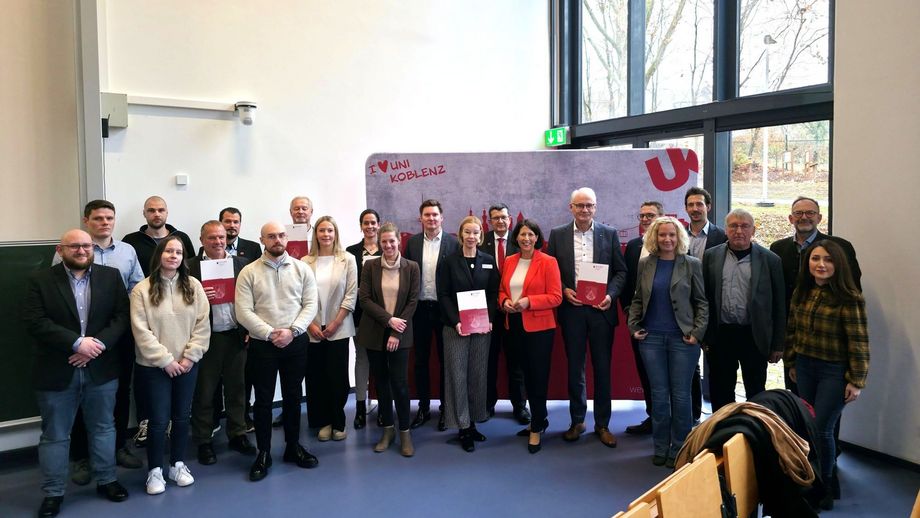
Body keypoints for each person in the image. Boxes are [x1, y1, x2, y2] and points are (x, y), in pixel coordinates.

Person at [24, 229, 131, 517]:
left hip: (101, 366)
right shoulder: (40, 281)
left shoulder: (110, 277)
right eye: (75, 246)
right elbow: (35, 321)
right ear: (61, 250)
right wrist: (76, 343)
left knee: (104, 428)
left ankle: (107, 479)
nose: (82, 250)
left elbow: (122, 316)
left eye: (86, 246)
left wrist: (96, 344)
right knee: (55, 435)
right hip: (57, 369)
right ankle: (54, 492)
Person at [52, 200, 145, 481]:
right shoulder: (69, 250)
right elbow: (57, 295)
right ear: (87, 221)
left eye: (109, 218)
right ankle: (82, 457)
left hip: (118, 336)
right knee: (80, 398)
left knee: (118, 395)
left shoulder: (128, 252)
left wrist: (108, 336)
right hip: (79, 341)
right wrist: (83, 343)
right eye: (98, 218)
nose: (105, 222)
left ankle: (118, 447)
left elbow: (138, 289)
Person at [785, 240, 869, 511]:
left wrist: (856, 381)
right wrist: (792, 362)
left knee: (822, 429)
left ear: (838, 265)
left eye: (828, 260)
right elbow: (793, 330)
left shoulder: (849, 297)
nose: (821, 265)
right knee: (809, 426)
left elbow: (858, 342)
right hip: (806, 367)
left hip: (834, 371)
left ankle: (826, 485)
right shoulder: (803, 291)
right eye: (815, 259)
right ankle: (814, 478)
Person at [235, 222, 319, 481]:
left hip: (295, 342)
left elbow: (310, 304)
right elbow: (243, 311)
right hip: (263, 344)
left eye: (281, 235)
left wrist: (292, 331)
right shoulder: (249, 272)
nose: (277, 240)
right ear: (262, 240)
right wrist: (271, 333)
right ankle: (264, 452)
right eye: (271, 236)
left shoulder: (302, 268)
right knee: (263, 401)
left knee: (294, 397)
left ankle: (293, 447)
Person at [130, 236, 210, 495]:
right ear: (159, 255)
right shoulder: (142, 289)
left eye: (178, 252)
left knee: (182, 416)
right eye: (168, 251)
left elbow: (202, 325)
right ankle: (155, 470)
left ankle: (177, 464)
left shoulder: (194, 286)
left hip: (187, 365)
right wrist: (165, 361)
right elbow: (141, 331)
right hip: (154, 367)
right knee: (157, 420)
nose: (173, 256)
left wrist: (189, 357)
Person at [546, 187, 626, 448]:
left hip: (601, 312)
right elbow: (552, 271)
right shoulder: (557, 235)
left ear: (596, 207)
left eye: (589, 205)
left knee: (602, 369)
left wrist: (611, 296)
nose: (584, 210)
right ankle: (577, 421)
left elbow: (620, 272)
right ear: (571, 207)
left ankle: (602, 424)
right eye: (579, 206)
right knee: (575, 369)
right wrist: (564, 290)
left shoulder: (609, 233)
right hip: (572, 311)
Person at [627, 216, 708, 468]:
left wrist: (697, 332)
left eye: (672, 235)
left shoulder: (691, 264)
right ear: (655, 237)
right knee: (659, 396)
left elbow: (702, 303)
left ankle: (680, 449)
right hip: (651, 339)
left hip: (683, 340)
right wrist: (633, 326)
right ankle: (660, 447)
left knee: (682, 397)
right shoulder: (645, 264)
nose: (667, 239)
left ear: (679, 237)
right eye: (662, 235)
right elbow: (638, 299)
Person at [702, 209, 785, 412]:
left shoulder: (771, 260)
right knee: (721, 390)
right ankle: (721, 435)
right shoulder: (711, 256)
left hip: (754, 336)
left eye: (744, 226)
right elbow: (704, 298)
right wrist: (704, 334)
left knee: (756, 392)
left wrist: (778, 344)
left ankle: (752, 437)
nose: (739, 230)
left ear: (753, 230)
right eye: (733, 226)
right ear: (726, 230)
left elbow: (779, 305)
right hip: (721, 335)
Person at [188, 221, 256, 465]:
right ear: (201, 239)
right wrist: (198, 297)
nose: (218, 242)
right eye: (212, 238)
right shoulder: (189, 267)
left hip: (235, 335)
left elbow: (251, 299)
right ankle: (203, 440)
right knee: (205, 392)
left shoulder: (241, 265)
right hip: (206, 338)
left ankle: (237, 433)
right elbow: (181, 304)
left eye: (221, 237)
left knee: (237, 388)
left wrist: (248, 327)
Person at [357, 222, 420, 456]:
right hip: (374, 333)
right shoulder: (370, 266)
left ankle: (405, 432)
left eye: (392, 241)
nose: (388, 245)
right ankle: (387, 430)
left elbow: (413, 301)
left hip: (400, 334)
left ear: (398, 241)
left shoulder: (411, 267)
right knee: (381, 384)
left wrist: (396, 330)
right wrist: (388, 321)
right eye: (384, 242)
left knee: (400, 385)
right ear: (379, 243)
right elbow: (364, 300)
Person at [437, 216, 500, 452]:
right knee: (457, 375)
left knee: (477, 374)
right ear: (460, 234)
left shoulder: (488, 260)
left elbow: (494, 293)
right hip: (456, 329)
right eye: (467, 232)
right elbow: (443, 295)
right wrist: (455, 322)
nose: (471, 237)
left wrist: (490, 319)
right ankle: (462, 427)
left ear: (480, 236)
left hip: (482, 328)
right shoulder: (449, 262)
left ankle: (473, 422)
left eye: (476, 233)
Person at [500, 220, 562, 454]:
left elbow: (556, 297)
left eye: (531, 234)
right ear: (516, 238)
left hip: (539, 329)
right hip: (513, 325)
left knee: (537, 377)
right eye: (522, 234)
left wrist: (529, 302)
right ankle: (539, 419)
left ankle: (536, 426)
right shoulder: (509, 261)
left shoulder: (548, 262)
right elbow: (502, 290)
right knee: (522, 375)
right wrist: (504, 301)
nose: (526, 238)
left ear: (537, 238)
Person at [403, 199, 460, 431]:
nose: (431, 219)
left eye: (435, 215)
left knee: (446, 362)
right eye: (427, 215)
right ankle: (424, 409)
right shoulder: (413, 243)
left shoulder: (453, 243)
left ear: (442, 217)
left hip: (444, 311)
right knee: (421, 362)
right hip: (419, 311)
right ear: (421, 218)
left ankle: (446, 410)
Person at [303, 216, 358, 442]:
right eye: (322, 231)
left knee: (338, 378)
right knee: (316, 378)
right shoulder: (305, 261)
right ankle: (323, 422)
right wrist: (311, 324)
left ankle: (338, 422)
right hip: (312, 329)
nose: (326, 235)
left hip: (339, 327)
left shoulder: (348, 259)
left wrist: (335, 323)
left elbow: (351, 294)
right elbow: (299, 297)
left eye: (330, 231)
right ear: (316, 234)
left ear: (336, 234)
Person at [479, 203, 529, 424]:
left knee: (517, 361)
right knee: (488, 361)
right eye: (495, 218)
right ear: (489, 221)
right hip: (487, 312)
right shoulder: (481, 241)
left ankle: (519, 406)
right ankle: (488, 404)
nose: (500, 221)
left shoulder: (521, 241)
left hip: (515, 311)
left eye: (504, 218)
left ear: (511, 220)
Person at [620, 201, 664, 435]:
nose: (645, 220)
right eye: (642, 216)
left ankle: (680, 420)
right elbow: (627, 282)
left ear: (661, 217)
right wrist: (629, 311)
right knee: (646, 371)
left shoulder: (673, 244)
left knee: (669, 375)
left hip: (668, 323)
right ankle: (653, 418)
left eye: (650, 215)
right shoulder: (635, 246)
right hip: (640, 322)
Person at [684, 187, 725, 424]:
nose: (695, 209)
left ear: (708, 207)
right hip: (684, 312)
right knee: (689, 369)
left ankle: (719, 423)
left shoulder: (722, 236)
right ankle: (692, 417)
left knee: (718, 370)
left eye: (699, 204)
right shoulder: (677, 234)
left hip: (714, 311)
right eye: (690, 204)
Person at [345, 209, 383, 429]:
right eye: (366, 223)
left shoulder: (387, 247)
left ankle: (382, 406)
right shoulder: (351, 252)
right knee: (361, 360)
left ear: (379, 225)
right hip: (360, 314)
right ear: (361, 226)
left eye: (373, 223)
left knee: (380, 363)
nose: (369, 227)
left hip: (382, 314)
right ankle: (360, 407)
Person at [122, 196, 196, 276]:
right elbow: (124, 270)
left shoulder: (182, 238)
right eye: (151, 211)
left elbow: (191, 267)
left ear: (167, 213)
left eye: (161, 210)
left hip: (177, 287)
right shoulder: (130, 241)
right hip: (143, 287)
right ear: (144, 213)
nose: (157, 214)